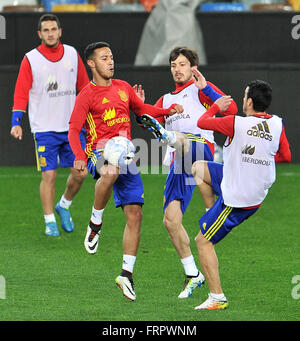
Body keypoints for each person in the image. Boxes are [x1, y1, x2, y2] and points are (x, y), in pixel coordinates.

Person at [68, 41, 183, 301]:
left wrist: (167, 110)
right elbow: (74, 130)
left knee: (135, 215)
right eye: (104, 58)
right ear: (92, 63)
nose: (110, 62)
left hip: (127, 153)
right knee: (110, 172)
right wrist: (77, 157)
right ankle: (95, 223)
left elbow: (142, 110)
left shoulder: (123, 88)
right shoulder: (86, 95)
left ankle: (126, 275)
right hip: (98, 151)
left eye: (111, 57)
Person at [138, 46, 238, 299]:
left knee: (182, 139)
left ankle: (169, 136)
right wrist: (140, 107)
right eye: (173, 65)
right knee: (170, 221)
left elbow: (232, 110)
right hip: (178, 163)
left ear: (192, 67)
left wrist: (207, 88)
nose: (177, 69)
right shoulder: (166, 100)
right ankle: (193, 274)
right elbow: (145, 117)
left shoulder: (199, 88)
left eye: (182, 64)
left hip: (199, 149)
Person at [190, 78, 291, 309]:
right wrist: (260, 160)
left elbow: (202, 121)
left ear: (249, 102)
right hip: (246, 185)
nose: (242, 98)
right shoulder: (276, 124)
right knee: (198, 168)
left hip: (240, 197)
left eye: (245, 95)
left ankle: (217, 297)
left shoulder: (236, 123)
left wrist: (216, 107)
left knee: (202, 242)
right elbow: (285, 156)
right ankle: (211, 212)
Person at [10, 14, 89, 237]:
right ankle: (49, 221)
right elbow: (20, 92)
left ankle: (63, 205)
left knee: (80, 173)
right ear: (40, 34)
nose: (50, 33)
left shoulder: (72, 54)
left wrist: (92, 118)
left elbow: (84, 88)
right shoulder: (31, 59)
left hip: (72, 127)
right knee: (49, 175)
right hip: (44, 129)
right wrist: (17, 123)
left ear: (60, 31)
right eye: (46, 30)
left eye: (53, 29)